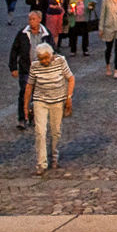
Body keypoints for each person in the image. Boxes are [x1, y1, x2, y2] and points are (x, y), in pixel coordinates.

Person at [22, 43, 75, 176]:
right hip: (40, 101)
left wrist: (68, 97)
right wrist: (26, 105)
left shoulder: (60, 61)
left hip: (57, 101)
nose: (44, 61)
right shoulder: (35, 66)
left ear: (51, 55)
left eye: (46, 58)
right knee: (40, 131)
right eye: (41, 59)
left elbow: (71, 78)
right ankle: (41, 163)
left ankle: (54, 156)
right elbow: (29, 85)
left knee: (55, 131)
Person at [10, 11, 53, 130]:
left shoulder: (46, 34)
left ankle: (34, 116)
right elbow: (14, 50)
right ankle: (22, 118)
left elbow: (52, 50)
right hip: (26, 68)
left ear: (39, 19)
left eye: (33, 19)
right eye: (30, 19)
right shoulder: (23, 33)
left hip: (41, 69)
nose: (31, 21)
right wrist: (13, 67)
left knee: (38, 95)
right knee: (24, 92)